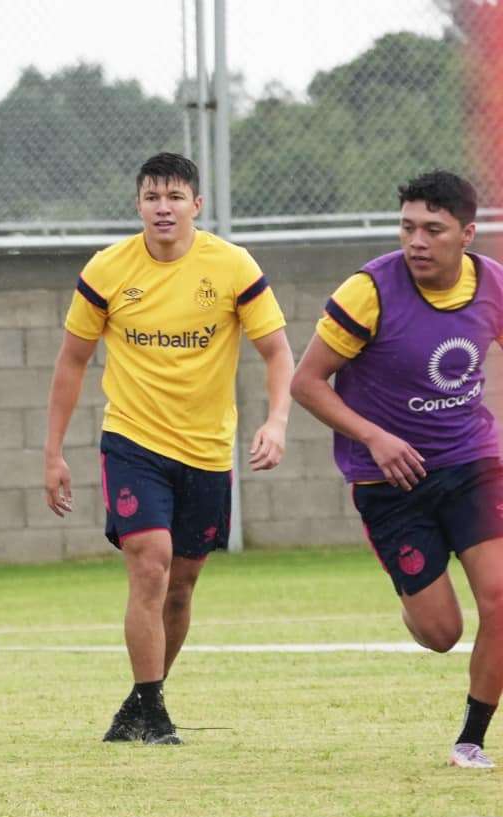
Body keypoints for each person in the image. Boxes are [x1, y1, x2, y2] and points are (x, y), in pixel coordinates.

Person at [43, 152, 294, 744]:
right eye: (153, 197)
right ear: (138, 205)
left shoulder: (232, 267)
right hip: (133, 440)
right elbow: (72, 362)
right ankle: (153, 710)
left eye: (175, 197)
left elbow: (278, 352)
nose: (163, 207)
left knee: (181, 584)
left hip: (207, 451)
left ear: (196, 206)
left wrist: (276, 420)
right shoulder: (107, 270)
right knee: (150, 564)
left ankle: (142, 701)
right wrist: (52, 452)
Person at [290, 170, 503, 769]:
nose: (416, 240)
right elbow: (305, 384)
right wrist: (375, 436)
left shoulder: (492, 287)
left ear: (466, 233)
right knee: (441, 633)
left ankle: (471, 740)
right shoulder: (370, 291)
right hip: (390, 481)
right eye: (407, 226)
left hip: (471, 463)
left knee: (501, 596)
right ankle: (411, 586)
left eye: (432, 229)